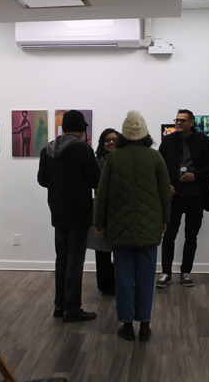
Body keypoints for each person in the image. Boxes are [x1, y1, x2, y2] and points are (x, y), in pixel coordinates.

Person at [94, 110, 170, 342]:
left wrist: (99, 222)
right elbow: (164, 192)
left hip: (119, 228)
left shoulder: (114, 158)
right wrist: (164, 220)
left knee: (124, 278)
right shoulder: (155, 157)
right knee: (146, 278)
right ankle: (145, 325)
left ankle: (127, 325)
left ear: (123, 134)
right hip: (149, 227)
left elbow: (102, 193)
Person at [37, 110, 100, 322]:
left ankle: (59, 306)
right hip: (79, 211)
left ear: (63, 127)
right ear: (82, 129)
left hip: (57, 210)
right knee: (75, 260)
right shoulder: (83, 149)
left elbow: (42, 180)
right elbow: (96, 180)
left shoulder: (47, 149)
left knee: (62, 259)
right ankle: (72, 309)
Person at [156, 109, 209, 288]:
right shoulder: (168, 141)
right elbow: (158, 167)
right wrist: (166, 185)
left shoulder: (204, 141)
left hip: (196, 196)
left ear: (191, 122)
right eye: (177, 120)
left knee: (191, 236)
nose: (178, 123)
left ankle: (185, 272)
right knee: (169, 235)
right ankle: (166, 273)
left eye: (183, 120)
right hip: (173, 197)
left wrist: (196, 176)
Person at [91, 127, 120, 296]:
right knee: (101, 251)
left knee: (120, 250)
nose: (111, 142)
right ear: (102, 143)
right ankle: (105, 286)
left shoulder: (124, 161)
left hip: (120, 209)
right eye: (107, 140)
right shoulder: (95, 162)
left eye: (114, 139)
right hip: (101, 208)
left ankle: (119, 283)